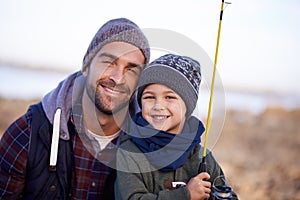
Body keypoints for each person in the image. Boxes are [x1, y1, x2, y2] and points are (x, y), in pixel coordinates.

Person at [0, 18, 150, 199]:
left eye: (131, 69)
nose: (118, 78)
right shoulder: (28, 134)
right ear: (87, 64)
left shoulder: (149, 148)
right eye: (109, 62)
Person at [115, 54, 238, 200]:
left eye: (169, 97)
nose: (158, 106)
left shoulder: (201, 156)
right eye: (149, 97)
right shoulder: (129, 152)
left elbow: (229, 195)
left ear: (188, 106)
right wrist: (185, 195)